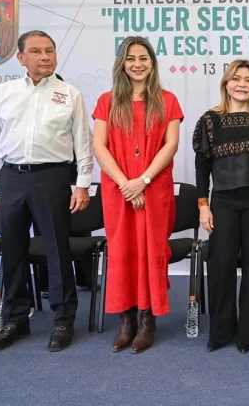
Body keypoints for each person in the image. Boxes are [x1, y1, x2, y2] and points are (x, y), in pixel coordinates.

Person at [0, 30, 93, 353]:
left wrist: (82, 184)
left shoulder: (69, 94)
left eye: (50, 51)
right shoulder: (5, 92)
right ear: (20, 58)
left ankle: (63, 320)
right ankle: (16, 319)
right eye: (37, 51)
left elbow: (83, 143)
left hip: (52, 177)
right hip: (11, 178)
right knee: (13, 250)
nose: (45, 57)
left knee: (57, 250)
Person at [92, 36, 183, 354]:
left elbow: (170, 146)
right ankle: (126, 321)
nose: (137, 64)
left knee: (150, 250)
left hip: (154, 188)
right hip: (118, 191)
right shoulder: (107, 101)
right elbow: (99, 146)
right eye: (130, 58)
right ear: (121, 63)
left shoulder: (168, 100)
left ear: (152, 63)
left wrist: (142, 181)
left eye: (143, 58)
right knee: (123, 250)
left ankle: (147, 321)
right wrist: (126, 185)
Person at [193, 60, 249, 354]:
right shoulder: (209, 120)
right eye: (236, 78)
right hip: (223, 202)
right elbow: (202, 167)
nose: (242, 84)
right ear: (226, 84)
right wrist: (203, 205)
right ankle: (221, 332)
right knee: (220, 265)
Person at [34, 72, 94, 298]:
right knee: (44, 232)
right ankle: (46, 283)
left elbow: (85, 142)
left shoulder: (70, 102)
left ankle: (86, 278)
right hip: (41, 179)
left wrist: (82, 181)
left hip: (71, 175)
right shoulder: (32, 111)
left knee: (80, 227)